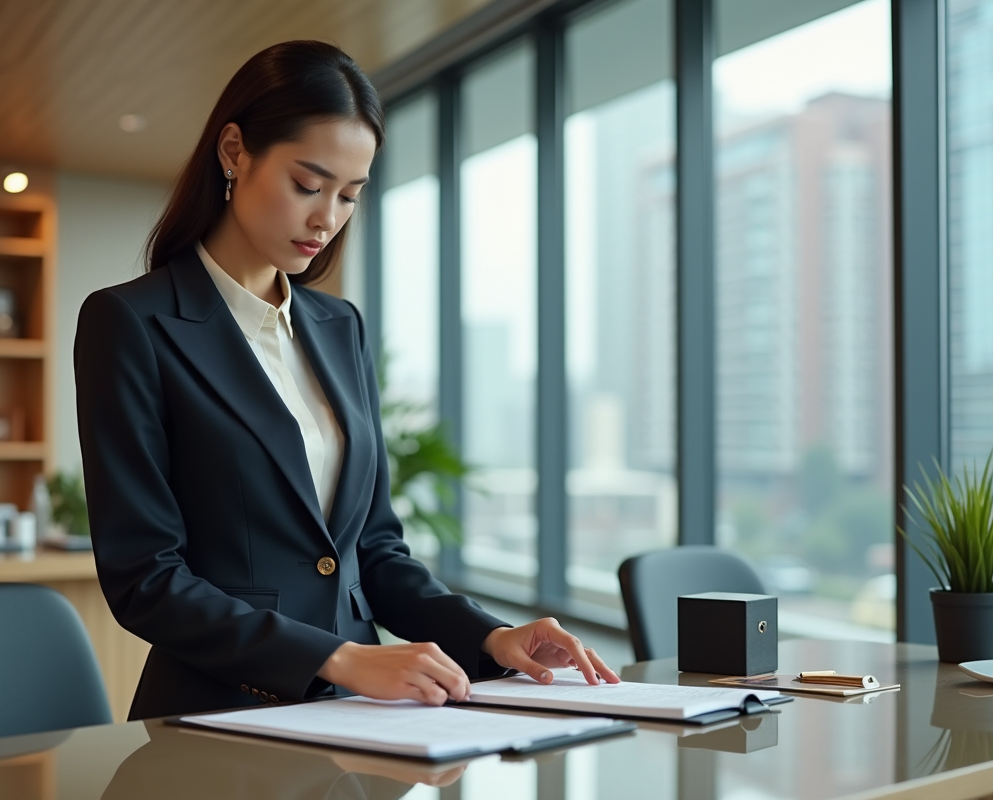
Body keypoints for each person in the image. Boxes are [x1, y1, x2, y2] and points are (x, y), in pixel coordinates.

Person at [75, 39, 619, 721]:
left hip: (362, 717)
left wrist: (490, 635)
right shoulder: (131, 322)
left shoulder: (340, 327)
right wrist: (333, 657)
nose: (326, 219)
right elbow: (145, 577)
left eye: (349, 196)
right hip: (219, 717)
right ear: (235, 151)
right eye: (308, 185)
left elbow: (373, 551)